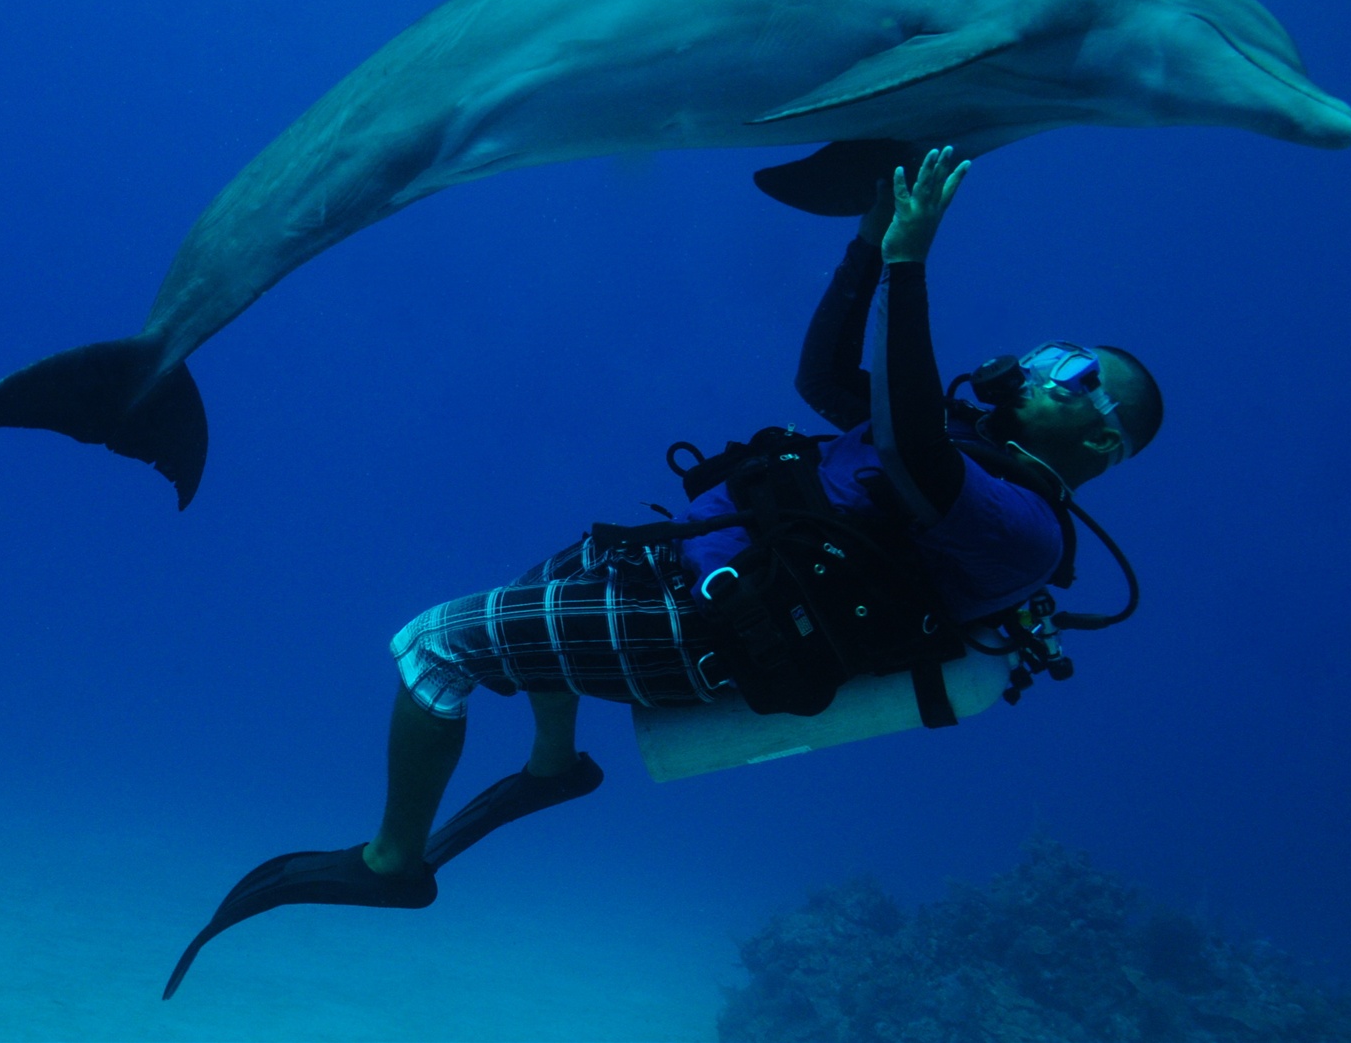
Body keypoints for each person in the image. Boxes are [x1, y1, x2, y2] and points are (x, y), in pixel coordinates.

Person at [162, 148, 1163, 998]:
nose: (1040, 368)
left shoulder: (1024, 527)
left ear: (1106, 442)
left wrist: (908, 266)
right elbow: (822, 382)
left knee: (435, 644)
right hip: (686, 565)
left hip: (714, 631)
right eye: (1054, 351)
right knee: (530, 592)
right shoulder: (961, 439)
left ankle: (391, 863)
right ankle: (555, 769)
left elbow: (909, 452)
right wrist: (865, 244)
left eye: (1075, 377)